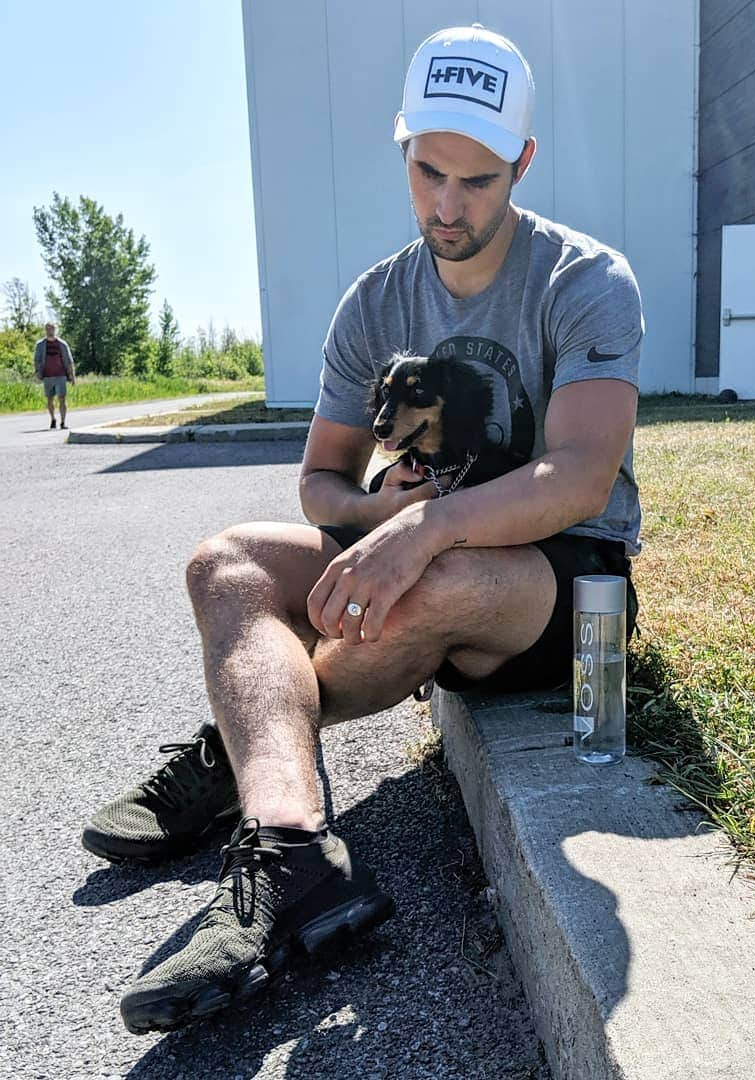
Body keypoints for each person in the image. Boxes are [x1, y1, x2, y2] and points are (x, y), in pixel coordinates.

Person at [82, 23, 644, 1034]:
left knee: (427, 582)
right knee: (226, 564)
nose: (447, 205)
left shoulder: (585, 279)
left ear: (521, 162)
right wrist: (375, 514)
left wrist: (425, 532)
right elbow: (320, 484)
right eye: (428, 172)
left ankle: (239, 747)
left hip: (557, 583)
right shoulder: (374, 300)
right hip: (414, 543)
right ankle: (290, 840)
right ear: (403, 150)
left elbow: (578, 475)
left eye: (477, 180)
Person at [33, 322, 76, 429]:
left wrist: (72, 376)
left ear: (55, 330)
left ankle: (63, 422)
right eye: (47, 328)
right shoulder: (40, 345)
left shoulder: (62, 344)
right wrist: (37, 373)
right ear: (45, 330)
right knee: (49, 399)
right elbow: (37, 360)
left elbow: (69, 361)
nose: (49, 330)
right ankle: (53, 419)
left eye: (51, 328)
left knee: (62, 398)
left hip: (60, 375)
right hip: (47, 376)